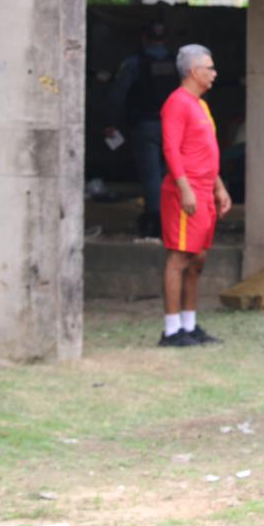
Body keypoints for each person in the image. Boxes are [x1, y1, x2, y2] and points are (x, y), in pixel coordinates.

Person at [158, 44, 232, 347]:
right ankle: (172, 329)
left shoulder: (200, 105)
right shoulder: (177, 103)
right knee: (180, 257)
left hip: (205, 189)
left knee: (198, 258)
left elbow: (205, 151)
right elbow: (171, 149)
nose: (214, 74)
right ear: (193, 72)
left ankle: (189, 324)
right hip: (185, 192)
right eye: (209, 68)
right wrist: (184, 187)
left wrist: (219, 186)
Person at [105, 21, 180, 237]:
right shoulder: (177, 62)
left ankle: (155, 222)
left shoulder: (134, 62)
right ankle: (171, 220)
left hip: (146, 126)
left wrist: (110, 121)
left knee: (151, 175)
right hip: (173, 126)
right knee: (172, 173)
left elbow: (117, 95)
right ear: (165, 40)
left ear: (144, 38)